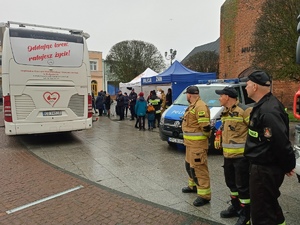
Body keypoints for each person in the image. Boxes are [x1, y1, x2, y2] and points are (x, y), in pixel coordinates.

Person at [242, 70, 295, 225]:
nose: (245, 87)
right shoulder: (265, 105)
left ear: (255, 87)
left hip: (264, 170)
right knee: (269, 205)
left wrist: (288, 165)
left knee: (262, 214)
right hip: (264, 168)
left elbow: (281, 142)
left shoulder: (268, 110)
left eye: (248, 84)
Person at [214, 86, 252, 225]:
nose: (219, 98)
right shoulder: (225, 111)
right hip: (228, 156)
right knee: (231, 184)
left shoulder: (244, 111)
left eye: (221, 95)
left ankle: (246, 215)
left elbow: (254, 132)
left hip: (241, 158)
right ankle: (236, 208)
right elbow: (227, 127)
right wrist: (219, 133)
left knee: (243, 187)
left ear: (227, 97)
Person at [181, 85, 211, 207]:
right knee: (189, 166)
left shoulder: (200, 106)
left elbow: (206, 127)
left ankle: (204, 195)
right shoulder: (193, 106)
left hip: (197, 145)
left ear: (189, 95)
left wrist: (203, 139)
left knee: (199, 169)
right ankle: (193, 186)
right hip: (190, 144)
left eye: (186, 95)